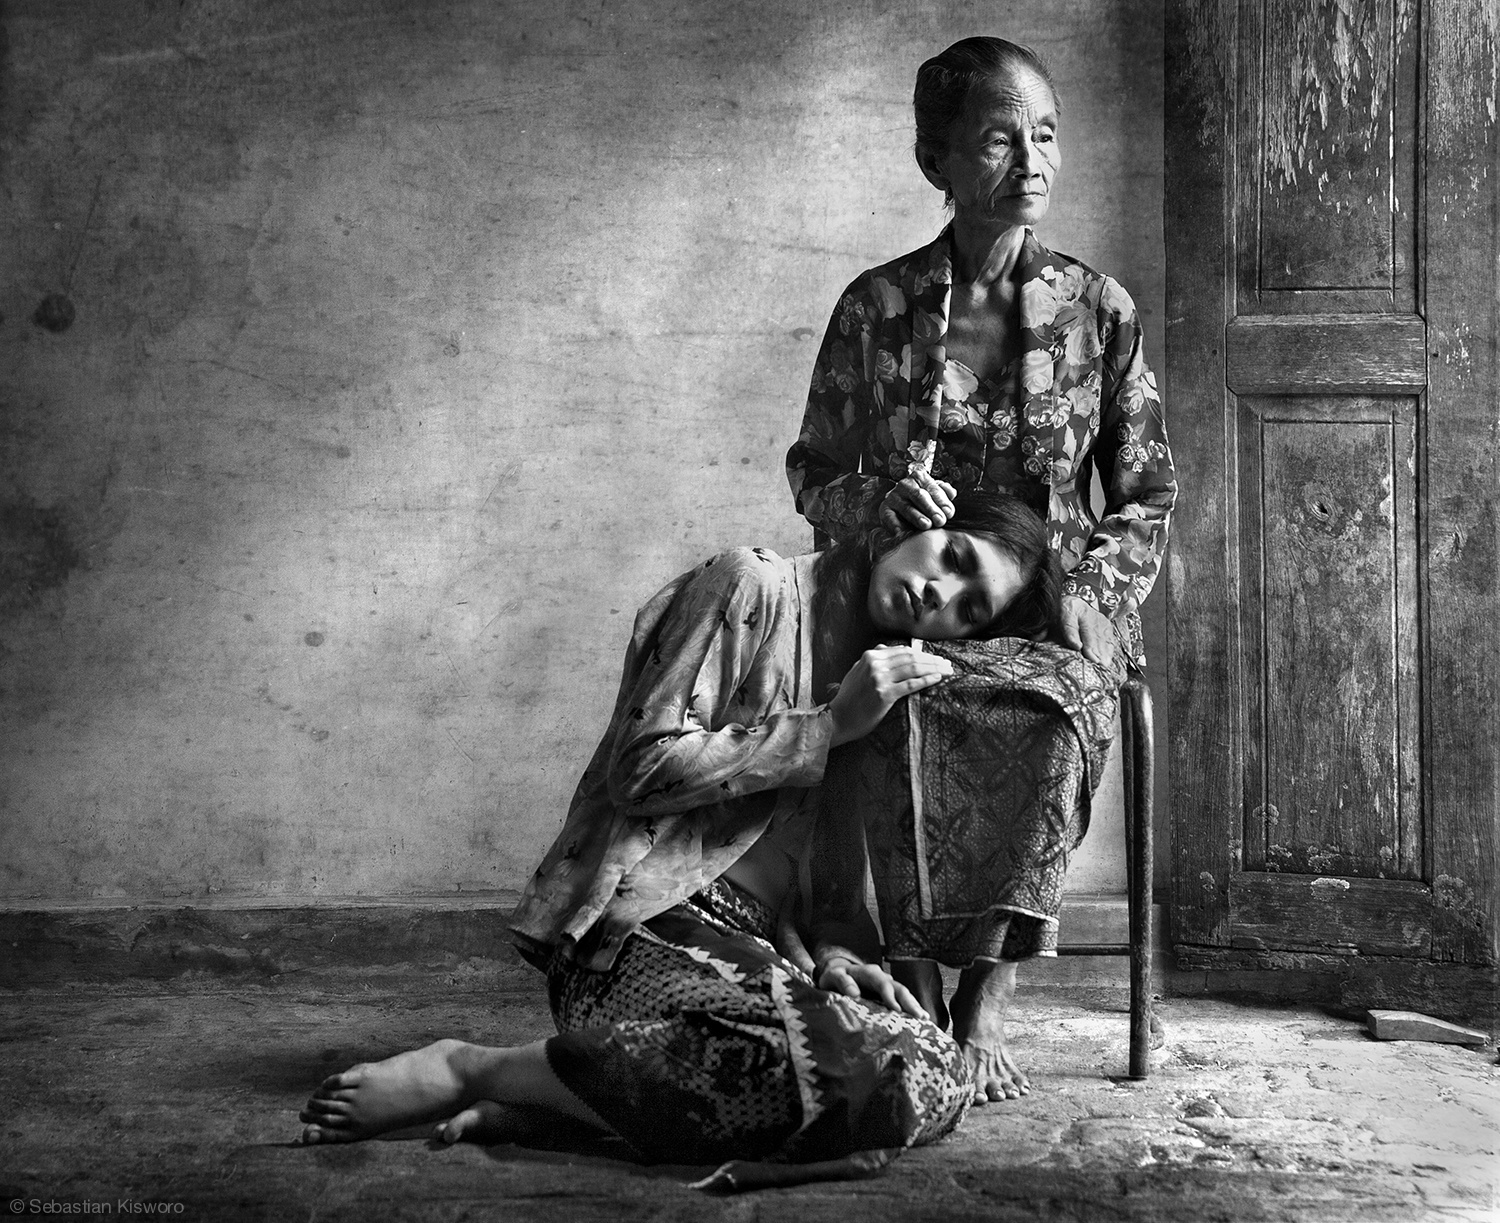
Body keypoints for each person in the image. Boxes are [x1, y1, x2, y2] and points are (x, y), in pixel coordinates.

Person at [298, 490, 1062, 1180]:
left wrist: (836, 958)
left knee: (934, 1066)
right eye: (953, 557)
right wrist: (827, 727)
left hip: (762, 957)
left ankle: (562, 1109)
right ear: (920, 521)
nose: (939, 592)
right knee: (807, 1061)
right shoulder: (751, 585)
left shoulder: (885, 685)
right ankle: (474, 1069)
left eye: (969, 609)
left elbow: (826, 877)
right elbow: (639, 767)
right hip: (639, 938)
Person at [785, 36, 1176, 1104]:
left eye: (1045, 135)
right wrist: (876, 503)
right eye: (1001, 139)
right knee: (889, 701)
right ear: (937, 158)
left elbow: (1146, 491)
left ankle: (989, 993)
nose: (1032, 162)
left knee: (1058, 714)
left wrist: (1090, 595)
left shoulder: (1100, 311)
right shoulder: (877, 308)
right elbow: (814, 469)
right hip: (916, 598)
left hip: (1052, 609)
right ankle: (912, 970)